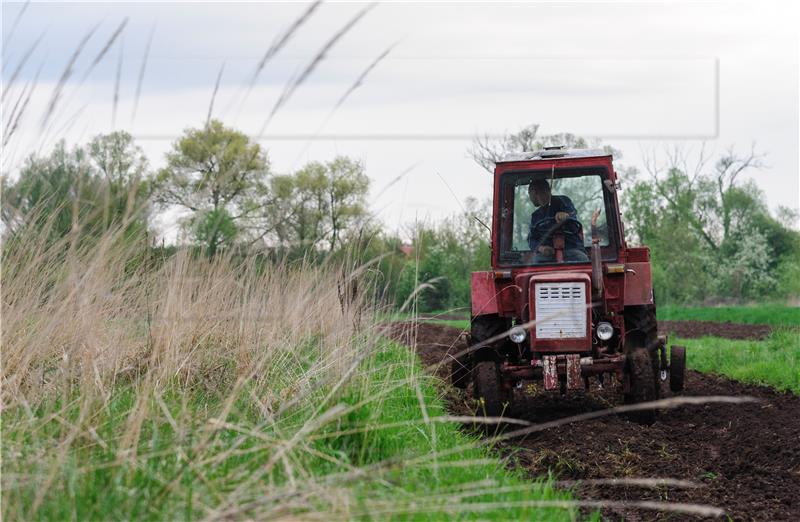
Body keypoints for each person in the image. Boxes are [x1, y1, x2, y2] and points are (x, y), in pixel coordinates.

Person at [526, 179, 589, 263]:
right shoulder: (536, 216)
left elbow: (572, 215)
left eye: (529, 194)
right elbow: (532, 239)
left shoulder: (563, 201)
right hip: (548, 255)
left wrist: (565, 215)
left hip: (572, 250)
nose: (530, 197)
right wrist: (542, 248)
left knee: (582, 259)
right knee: (535, 262)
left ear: (534, 192)